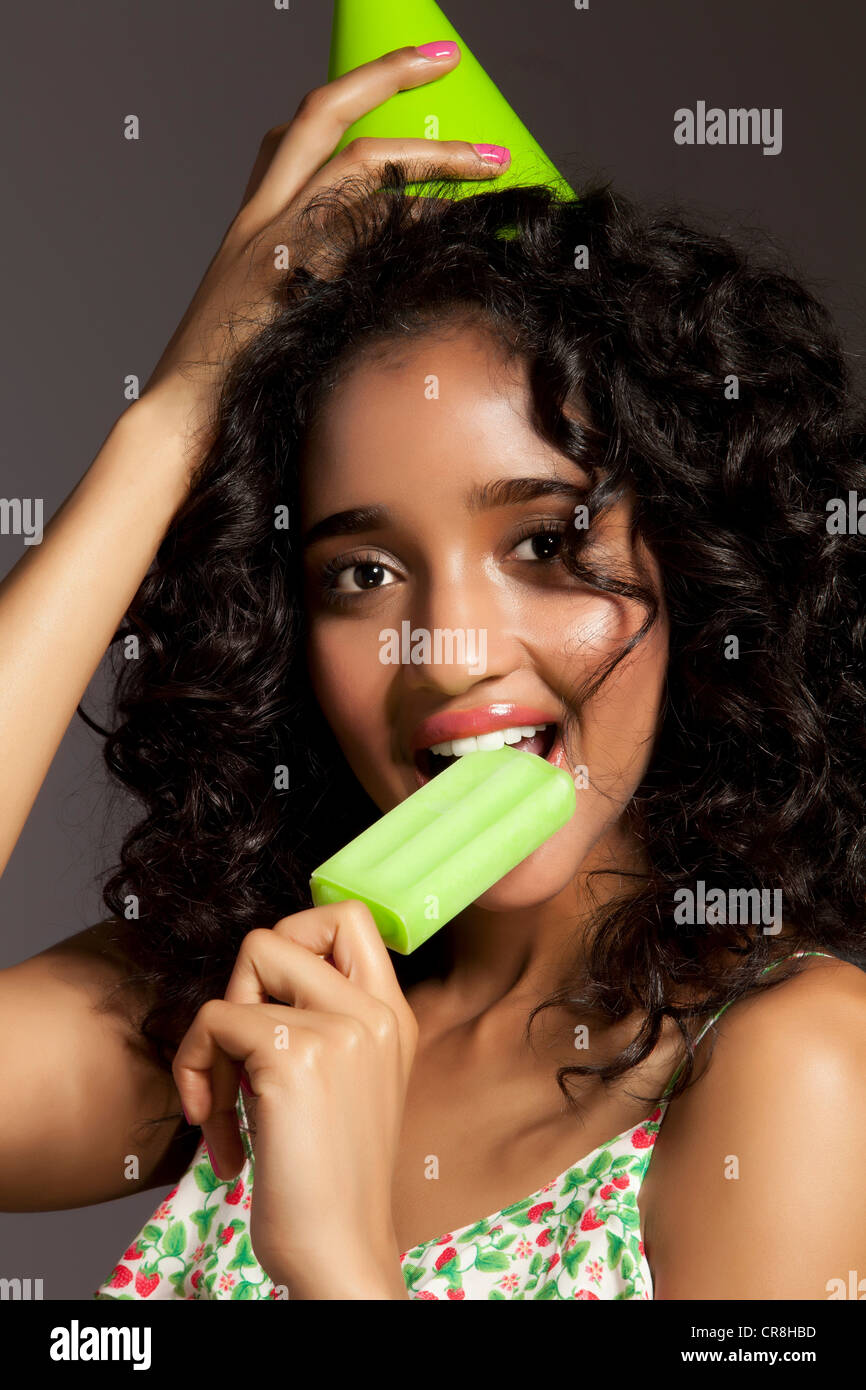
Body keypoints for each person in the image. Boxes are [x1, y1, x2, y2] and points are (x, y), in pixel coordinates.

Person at [1, 41, 864, 1302]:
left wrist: (340, 1259)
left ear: (696, 567)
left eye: (544, 542)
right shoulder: (251, 1015)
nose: (450, 651)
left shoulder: (795, 1067)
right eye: (362, 573)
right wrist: (174, 415)